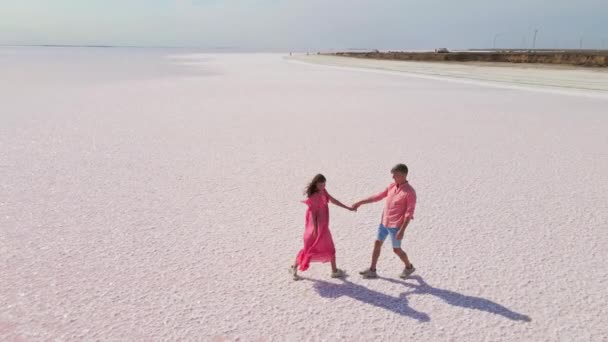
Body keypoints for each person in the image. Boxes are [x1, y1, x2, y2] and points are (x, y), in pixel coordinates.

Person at [353, 164, 417, 279]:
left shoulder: (410, 192)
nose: (393, 177)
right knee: (377, 243)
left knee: (396, 250)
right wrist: (360, 202)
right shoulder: (392, 186)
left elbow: (409, 213)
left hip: (396, 226)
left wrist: (402, 230)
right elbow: (378, 196)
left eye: (395, 175)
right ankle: (372, 270)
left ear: (403, 175)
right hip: (384, 222)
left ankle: (409, 267)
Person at [290, 174, 354, 281]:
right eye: (321, 184)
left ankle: (334, 271)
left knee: (329, 248)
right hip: (315, 229)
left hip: (323, 227)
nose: (323, 186)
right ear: (315, 184)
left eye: (324, 184)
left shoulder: (323, 191)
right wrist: (315, 231)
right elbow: (314, 215)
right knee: (309, 249)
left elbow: (333, 200)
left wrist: (347, 208)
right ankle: (294, 267)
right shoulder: (314, 197)